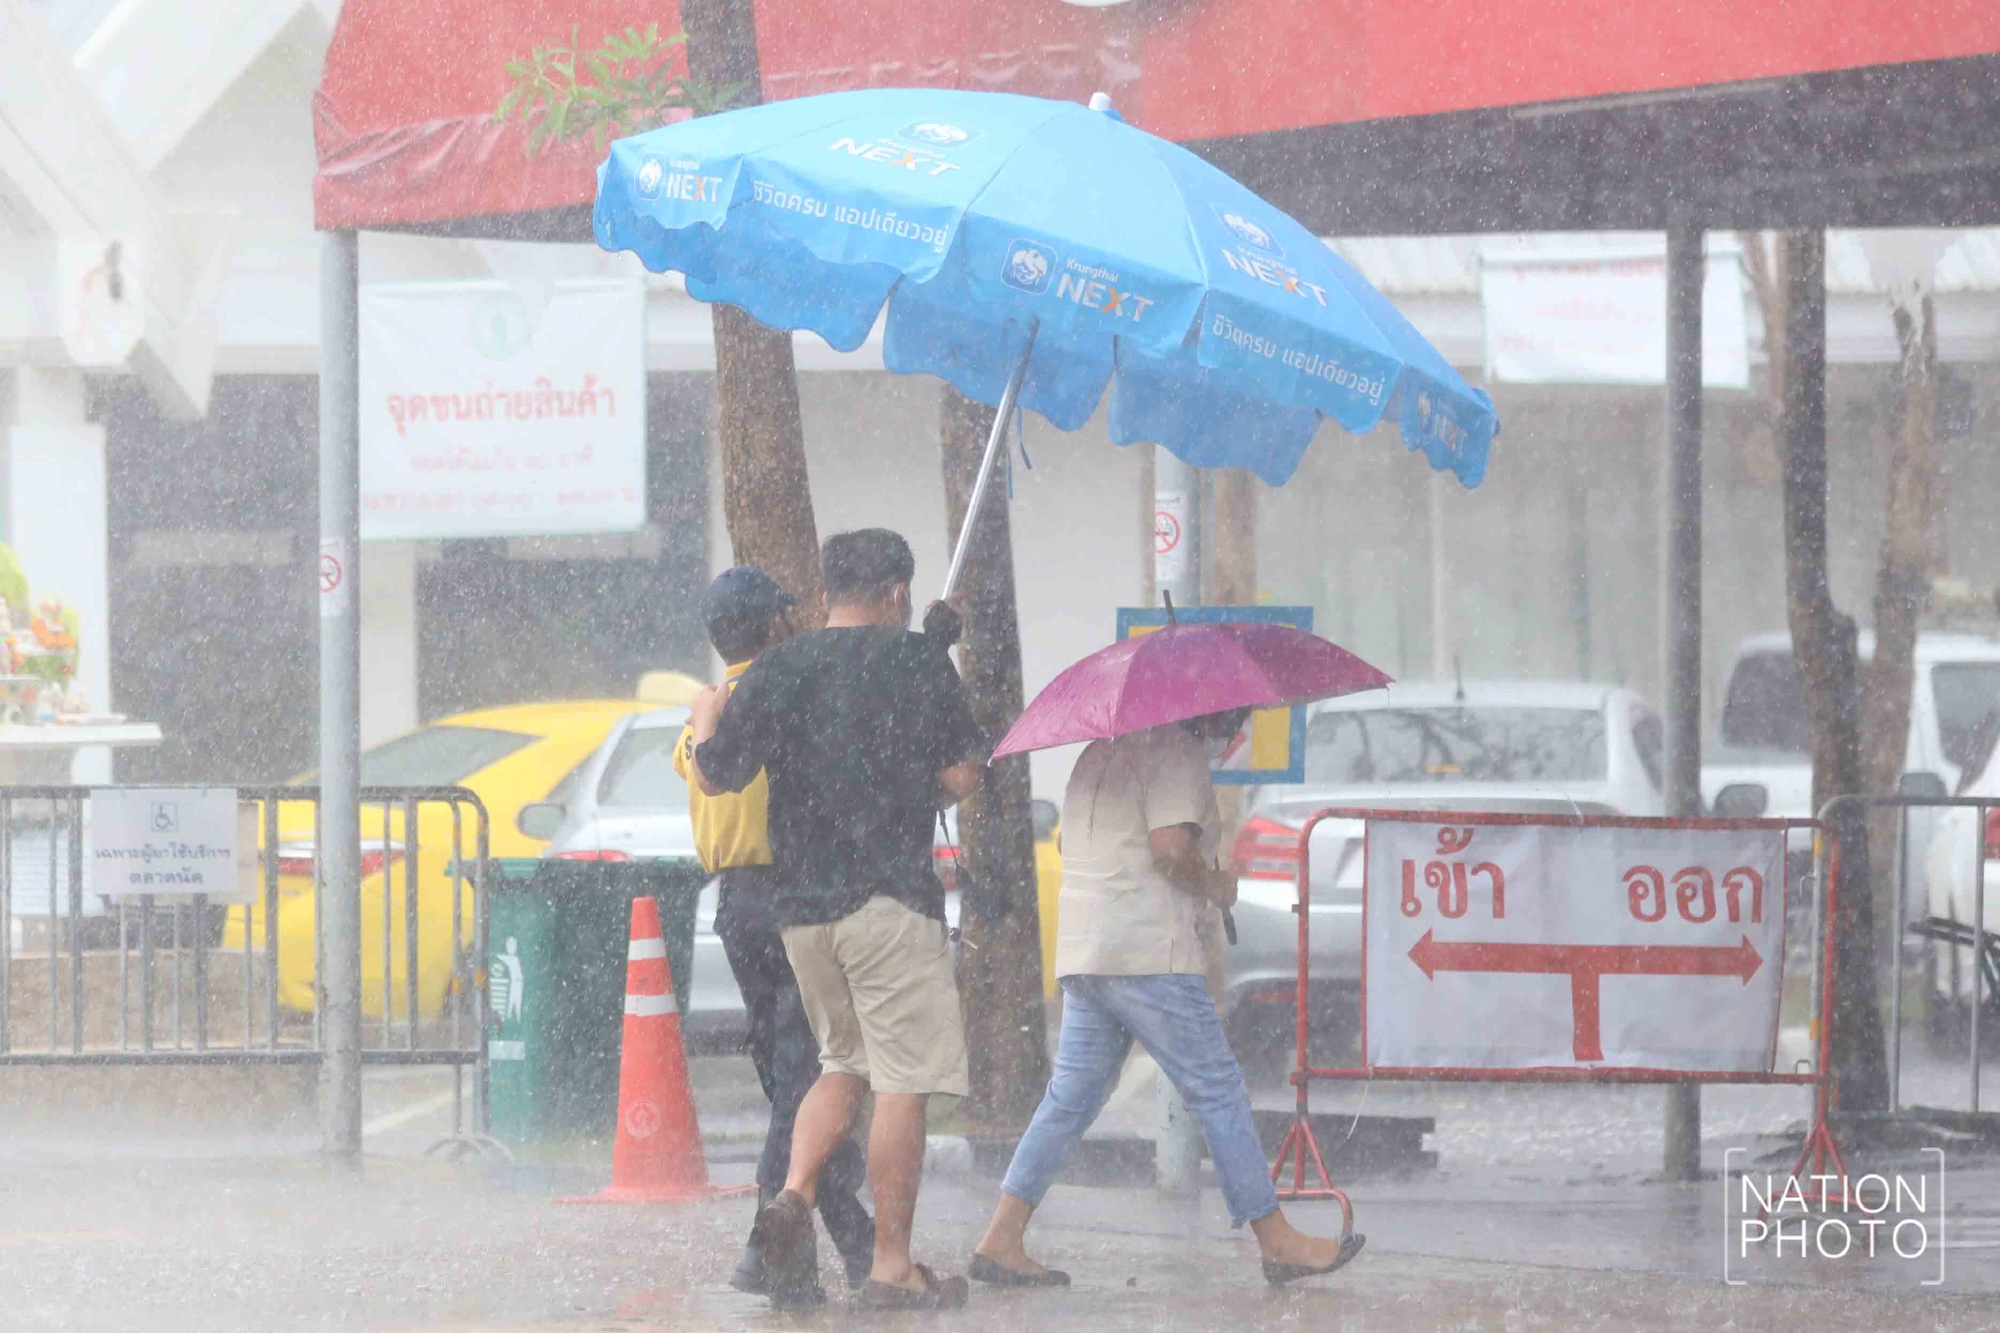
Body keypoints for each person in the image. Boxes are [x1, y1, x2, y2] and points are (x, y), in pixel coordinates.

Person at [688, 529, 986, 1311]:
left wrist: (706, 720)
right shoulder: (918, 664)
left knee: (840, 1064)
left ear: (825, 591)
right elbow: (960, 772)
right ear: (895, 592)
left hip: (802, 913)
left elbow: (721, 773)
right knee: (903, 1080)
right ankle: (892, 1266)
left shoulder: (782, 665)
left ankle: (791, 1192)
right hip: (889, 903)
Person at [970, 708, 1367, 1288]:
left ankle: (1002, 1236)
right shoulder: (1175, 750)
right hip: (1149, 952)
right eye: (1237, 728)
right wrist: (1215, 886)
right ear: (1217, 720)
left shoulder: (1098, 753)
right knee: (1218, 1088)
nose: (1236, 741)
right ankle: (1275, 1238)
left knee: (1071, 1098)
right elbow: (1170, 848)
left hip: (1089, 952)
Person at [669, 566, 874, 1300]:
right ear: (779, 621)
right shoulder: (793, 695)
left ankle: (850, 1243)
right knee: (806, 1079)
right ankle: (767, 1240)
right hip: (796, 898)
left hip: (735, 907)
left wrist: (706, 716)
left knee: (791, 1076)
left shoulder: (708, 710)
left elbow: (693, 768)